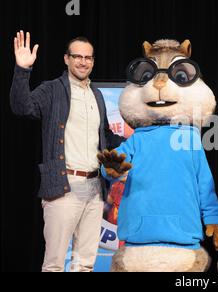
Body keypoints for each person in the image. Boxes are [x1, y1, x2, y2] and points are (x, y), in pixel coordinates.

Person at [10, 31, 124, 272]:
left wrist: (140, 138)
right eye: (77, 56)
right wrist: (22, 70)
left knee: (84, 264)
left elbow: (105, 135)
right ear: (66, 59)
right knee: (54, 265)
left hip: (95, 190)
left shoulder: (97, 95)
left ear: (93, 61)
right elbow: (22, 108)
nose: (83, 62)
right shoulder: (52, 89)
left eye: (88, 57)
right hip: (63, 187)